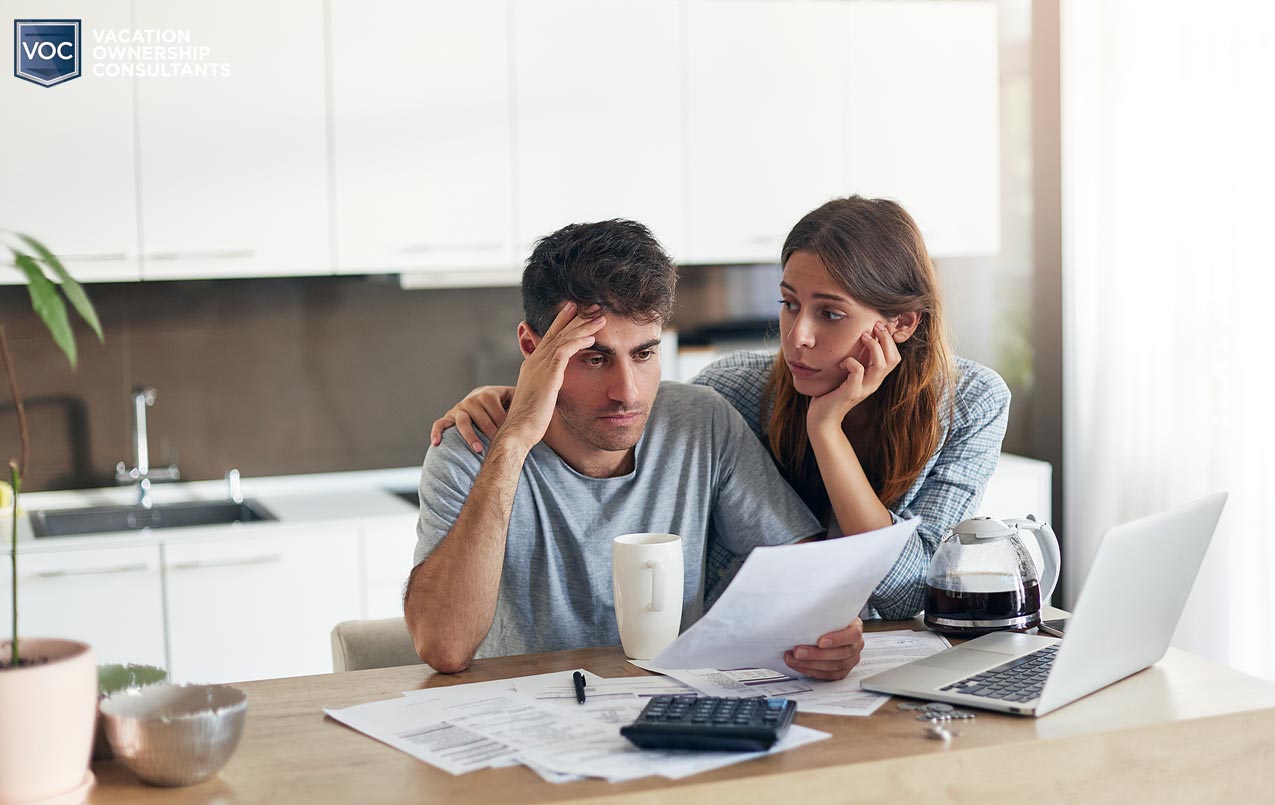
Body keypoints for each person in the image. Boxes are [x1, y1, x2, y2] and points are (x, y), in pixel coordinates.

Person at [430, 196, 1011, 620]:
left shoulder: (971, 404)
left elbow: (906, 592)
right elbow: (624, 413)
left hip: (861, 650)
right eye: (787, 305)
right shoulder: (732, 392)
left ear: (902, 323)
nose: (797, 337)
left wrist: (825, 429)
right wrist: (518, 403)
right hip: (752, 654)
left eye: (829, 314)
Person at [404, 219, 867, 679]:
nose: (626, 392)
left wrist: (830, 635)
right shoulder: (469, 447)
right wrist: (514, 441)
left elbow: (808, 578)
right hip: (524, 719)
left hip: (672, 711)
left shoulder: (701, 421)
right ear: (532, 347)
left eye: (644, 354)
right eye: (594, 358)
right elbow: (444, 647)